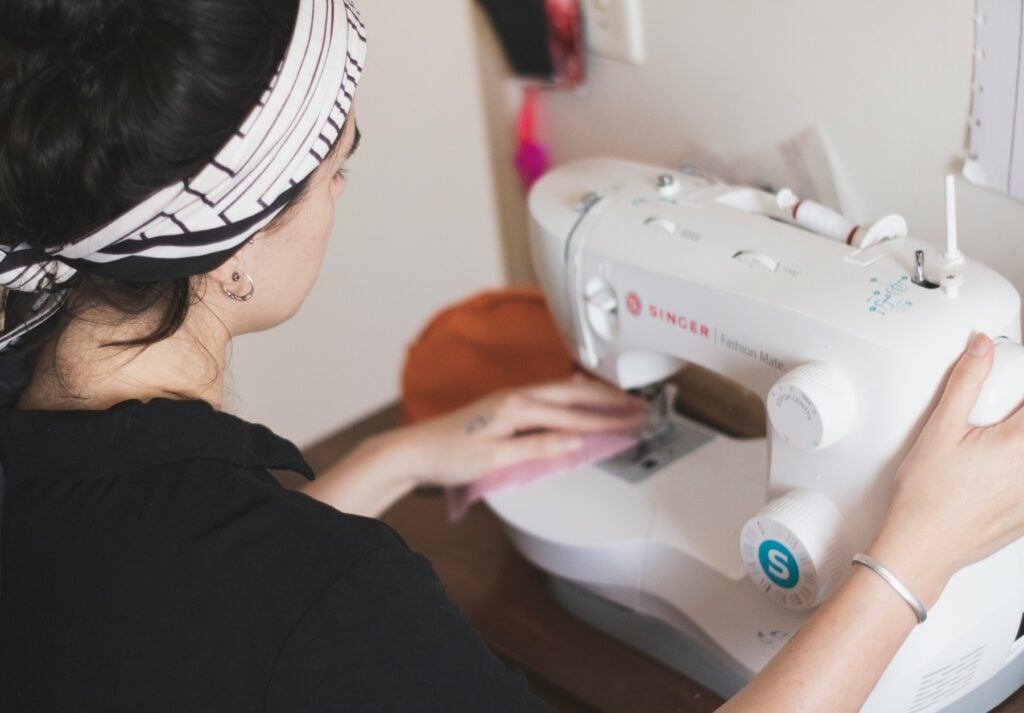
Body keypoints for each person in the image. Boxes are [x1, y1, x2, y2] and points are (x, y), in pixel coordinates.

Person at [0, 1, 1021, 712]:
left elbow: (183, 602)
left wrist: (400, 458)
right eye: (336, 171)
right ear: (227, 255)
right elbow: (267, 605)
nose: (343, 195)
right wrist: (913, 554)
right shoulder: (338, 599)